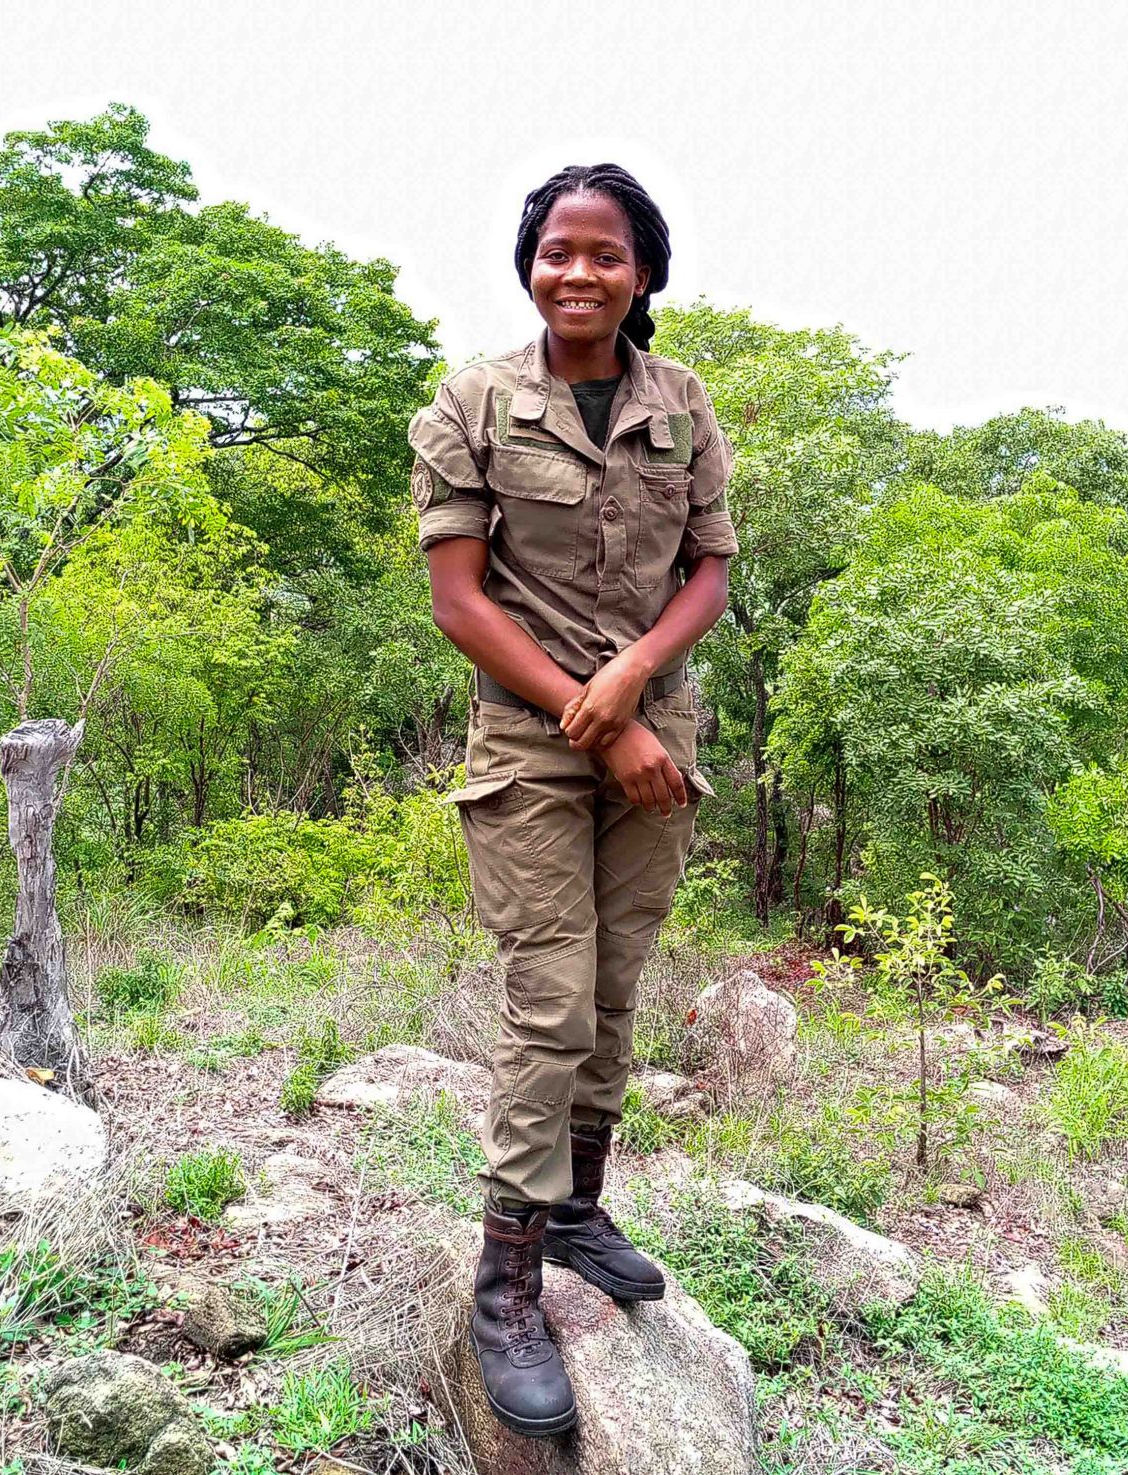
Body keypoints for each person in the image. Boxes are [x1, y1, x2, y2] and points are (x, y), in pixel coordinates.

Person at [407, 163, 739, 1439]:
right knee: (548, 997)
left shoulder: (683, 401)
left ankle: (578, 1206)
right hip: (533, 739)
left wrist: (639, 684)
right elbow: (459, 601)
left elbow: (706, 569)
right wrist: (589, 718)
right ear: (528, 263)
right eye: (557, 250)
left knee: (612, 990)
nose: (579, 271)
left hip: (652, 737)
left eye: (605, 253)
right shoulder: (475, 401)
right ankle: (503, 1275)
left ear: (642, 271)